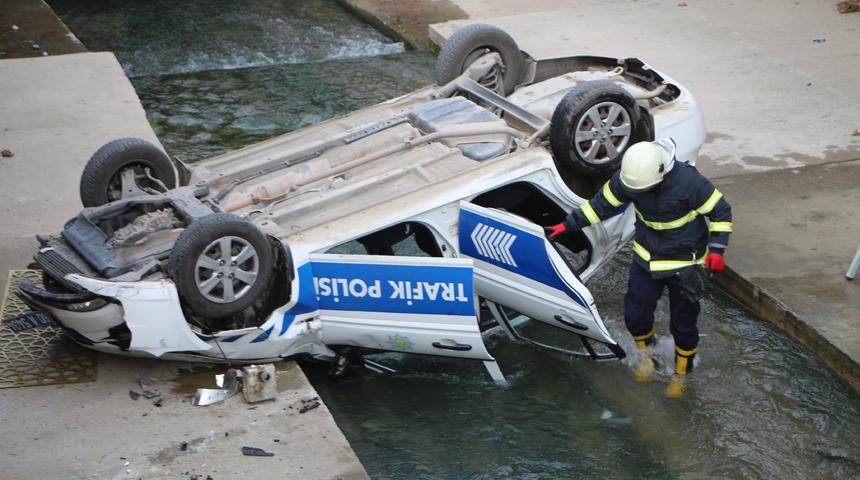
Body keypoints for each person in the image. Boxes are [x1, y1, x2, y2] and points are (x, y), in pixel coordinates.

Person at [546, 139, 732, 397]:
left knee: (684, 324)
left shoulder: (690, 183)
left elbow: (720, 211)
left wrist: (717, 250)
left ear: (661, 173)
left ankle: (681, 374)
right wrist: (568, 225)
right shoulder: (630, 179)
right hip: (647, 258)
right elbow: (602, 205)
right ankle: (648, 357)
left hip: (686, 264)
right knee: (636, 314)